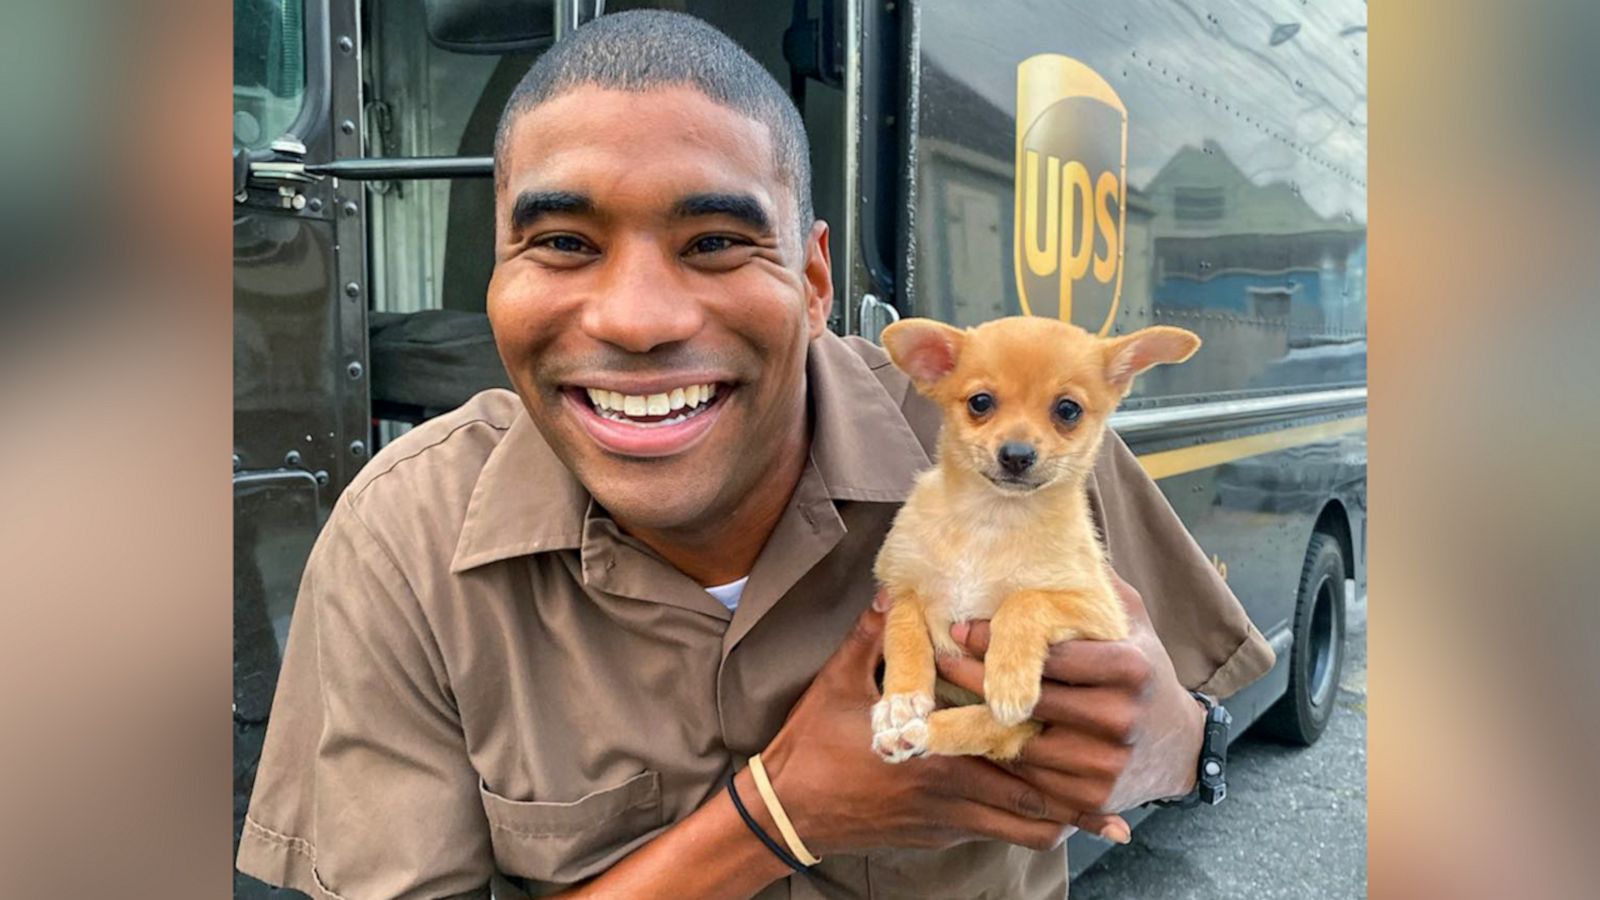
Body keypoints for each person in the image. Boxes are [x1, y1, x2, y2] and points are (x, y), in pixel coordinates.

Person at [236, 10, 1274, 899]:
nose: (636, 319)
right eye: (563, 243)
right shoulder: (403, 543)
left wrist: (1165, 743)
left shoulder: (1009, 441)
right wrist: (781, 810)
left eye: (715, 243)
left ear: (815, 279)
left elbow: (1197, 729)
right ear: (496, 271)